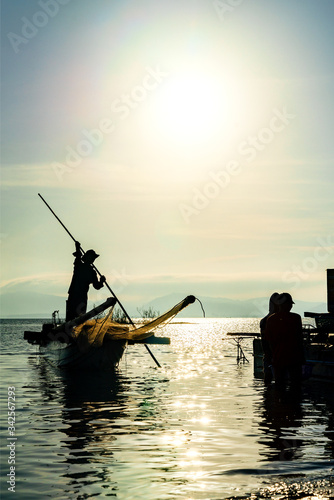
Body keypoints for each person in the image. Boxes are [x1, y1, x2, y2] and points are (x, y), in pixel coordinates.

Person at [264, 293, 304, 389]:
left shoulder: (271, 319)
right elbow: (299, 339)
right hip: (294, 358)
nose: (290, 306)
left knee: (279, 385)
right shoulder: (296, 318)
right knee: (295, 386)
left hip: (278, 358)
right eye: (289, 304)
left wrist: (271, 356)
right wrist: (302, 357)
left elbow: (269, 341)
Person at [66, 241, 106, 321]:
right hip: (75, 295)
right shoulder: (80, 266)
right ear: (88, 258)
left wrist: (101, 281)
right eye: (92, 257)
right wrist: (77, 248)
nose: (93, 259)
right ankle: (69, 332)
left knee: (79, 318)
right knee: (72, 317)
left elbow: (96, 286)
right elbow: (78, 256)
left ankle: (76, 332)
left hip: (80, 296)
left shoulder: (91, 271)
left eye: (93, 258)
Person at [260, 292, 280, 384]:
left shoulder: (266, 320)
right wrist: (269, 355)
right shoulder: (266, 321)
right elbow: (265, 341)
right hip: (271, 356)